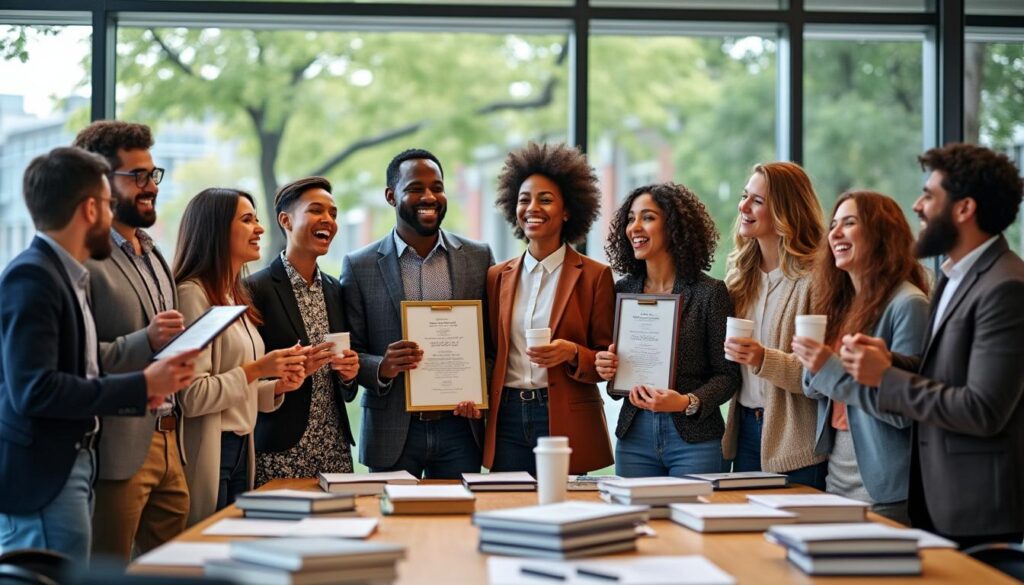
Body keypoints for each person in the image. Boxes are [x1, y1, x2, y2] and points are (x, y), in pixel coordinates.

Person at [0, 147, 197, 563]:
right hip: (46, 473)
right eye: (108, 205)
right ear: (90, 209)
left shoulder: (66, 275)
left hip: (74, 464)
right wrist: (143, 384)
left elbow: (80, 373)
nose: (112, 218)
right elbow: (36, 391)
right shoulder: (32, 276)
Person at [841, 144, 1024, 548]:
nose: (917, 205)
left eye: (929, 195)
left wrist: (885, 378)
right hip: (938, 501)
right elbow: (941, 370)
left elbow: (983, 410)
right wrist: (890, 359)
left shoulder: (1007, 287)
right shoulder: (953, 276)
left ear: (964, 209)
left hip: (978, 514)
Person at [72, 121, 189, 562]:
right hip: (117, 449)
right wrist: (146, 339)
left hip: (170, 442)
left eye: (153, 175)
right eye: (137, 176)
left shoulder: (156, 252)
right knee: (109, 567)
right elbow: (78, 359)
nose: (150, 187)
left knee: (176, 568)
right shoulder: (83, 260)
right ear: (101, 181)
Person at [340, 148, 493, 479]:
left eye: (437, 187)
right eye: (415, 188)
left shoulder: (478, 258)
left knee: (455, 527)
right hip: (391, 430)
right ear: (391, 196)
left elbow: (492, 343)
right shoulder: (359, 265)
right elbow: (350, 351)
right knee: (392, 527)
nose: (429, 196)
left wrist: (480, 390)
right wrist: (381, 366)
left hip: (460, 428)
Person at [792, 191, 929, 524]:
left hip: (882, 487)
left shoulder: (908, 304)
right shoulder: (842, 304)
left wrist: (827, 367)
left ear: (882, 233)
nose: (835, 233)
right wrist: (814, 365)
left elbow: (903, 411)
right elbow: (816, 389)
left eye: (849, 223)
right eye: (834, 224)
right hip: (836, 475)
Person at [174, 188, 307, 525]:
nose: (260, 229)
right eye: (247, 220)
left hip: (239, 451)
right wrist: (257, 369)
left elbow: (237, 388)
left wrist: (277, 385)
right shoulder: (192, 295)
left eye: (257, 220)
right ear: (216, 230)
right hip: (210, 451)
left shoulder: (235, 297)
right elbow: (193, 396)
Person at [483, 142, 614, 475]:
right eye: (524, 199)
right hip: (508, 416)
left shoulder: (596, 277)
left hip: (562, 415)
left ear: (567, 210)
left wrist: (571, 352)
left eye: (545, 199)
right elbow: (489, 352)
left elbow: (607, 362)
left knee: (565, 513)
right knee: (509, 511)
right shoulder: (497, 276)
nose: (532, 208)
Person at [596, 183, 740, 476]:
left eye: (647, 217)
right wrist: (607, 367)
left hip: (694, 440)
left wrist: (687, 402)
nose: (635, 227)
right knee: (635, 522)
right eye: (631, 219)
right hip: (635, 436)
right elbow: (615, 385)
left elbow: (728, 375)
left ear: (674, 226)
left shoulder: (710, 293)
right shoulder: (622, 291)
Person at [720, 162, 828, 489]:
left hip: (796, 443)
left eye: (757, 201)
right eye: (744, 196)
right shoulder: (738, 281)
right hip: (745, 433)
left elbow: (818, 376)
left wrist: (761, 358)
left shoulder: (815, 282)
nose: (743, 206)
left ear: (785, 211)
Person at [248, 177, 360, 486]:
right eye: (316, 210)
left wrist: (350, 374)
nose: (328, 220)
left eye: (333, 213)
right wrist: (288, 375)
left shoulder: (337, 290)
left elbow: (346, 389)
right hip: (279, 451)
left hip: (334, 450)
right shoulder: (254, 290)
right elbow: (245, 374)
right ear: (285, 220)